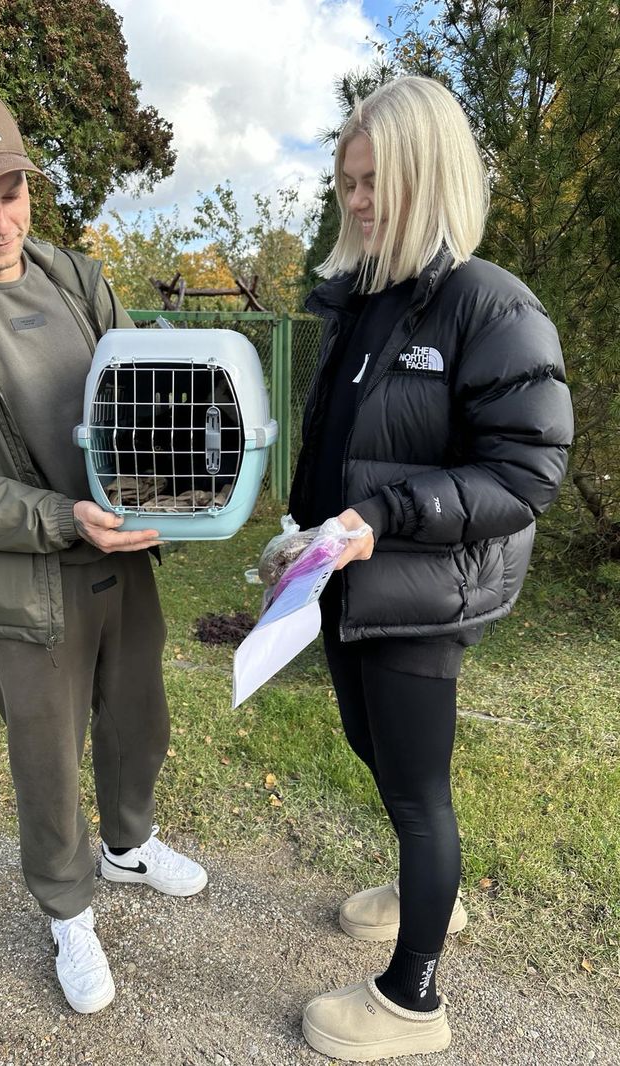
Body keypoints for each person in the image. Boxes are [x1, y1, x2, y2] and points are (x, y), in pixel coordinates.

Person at [0, 77, 207, 1016]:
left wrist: (175, 477)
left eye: (11, 192)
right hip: (27, 580)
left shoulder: (74, 278)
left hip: (121, 553)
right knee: (48, 757)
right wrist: (63, 517)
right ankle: (67, 907)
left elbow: (139, 395)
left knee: (139, 720)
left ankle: (128, 845)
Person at [288, 76, 573, 1062]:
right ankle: (428, 895)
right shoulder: (361, 299)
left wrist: (383, 517)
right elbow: (342, 440)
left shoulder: (488, 303)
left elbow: (525, 473)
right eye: (348, 183)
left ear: (429, 174)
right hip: (345, 577)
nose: (358, 202)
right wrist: (304, 530)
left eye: (376, 182)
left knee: (417, 792)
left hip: (419, 590)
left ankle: (412, 999)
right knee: (369, 744)